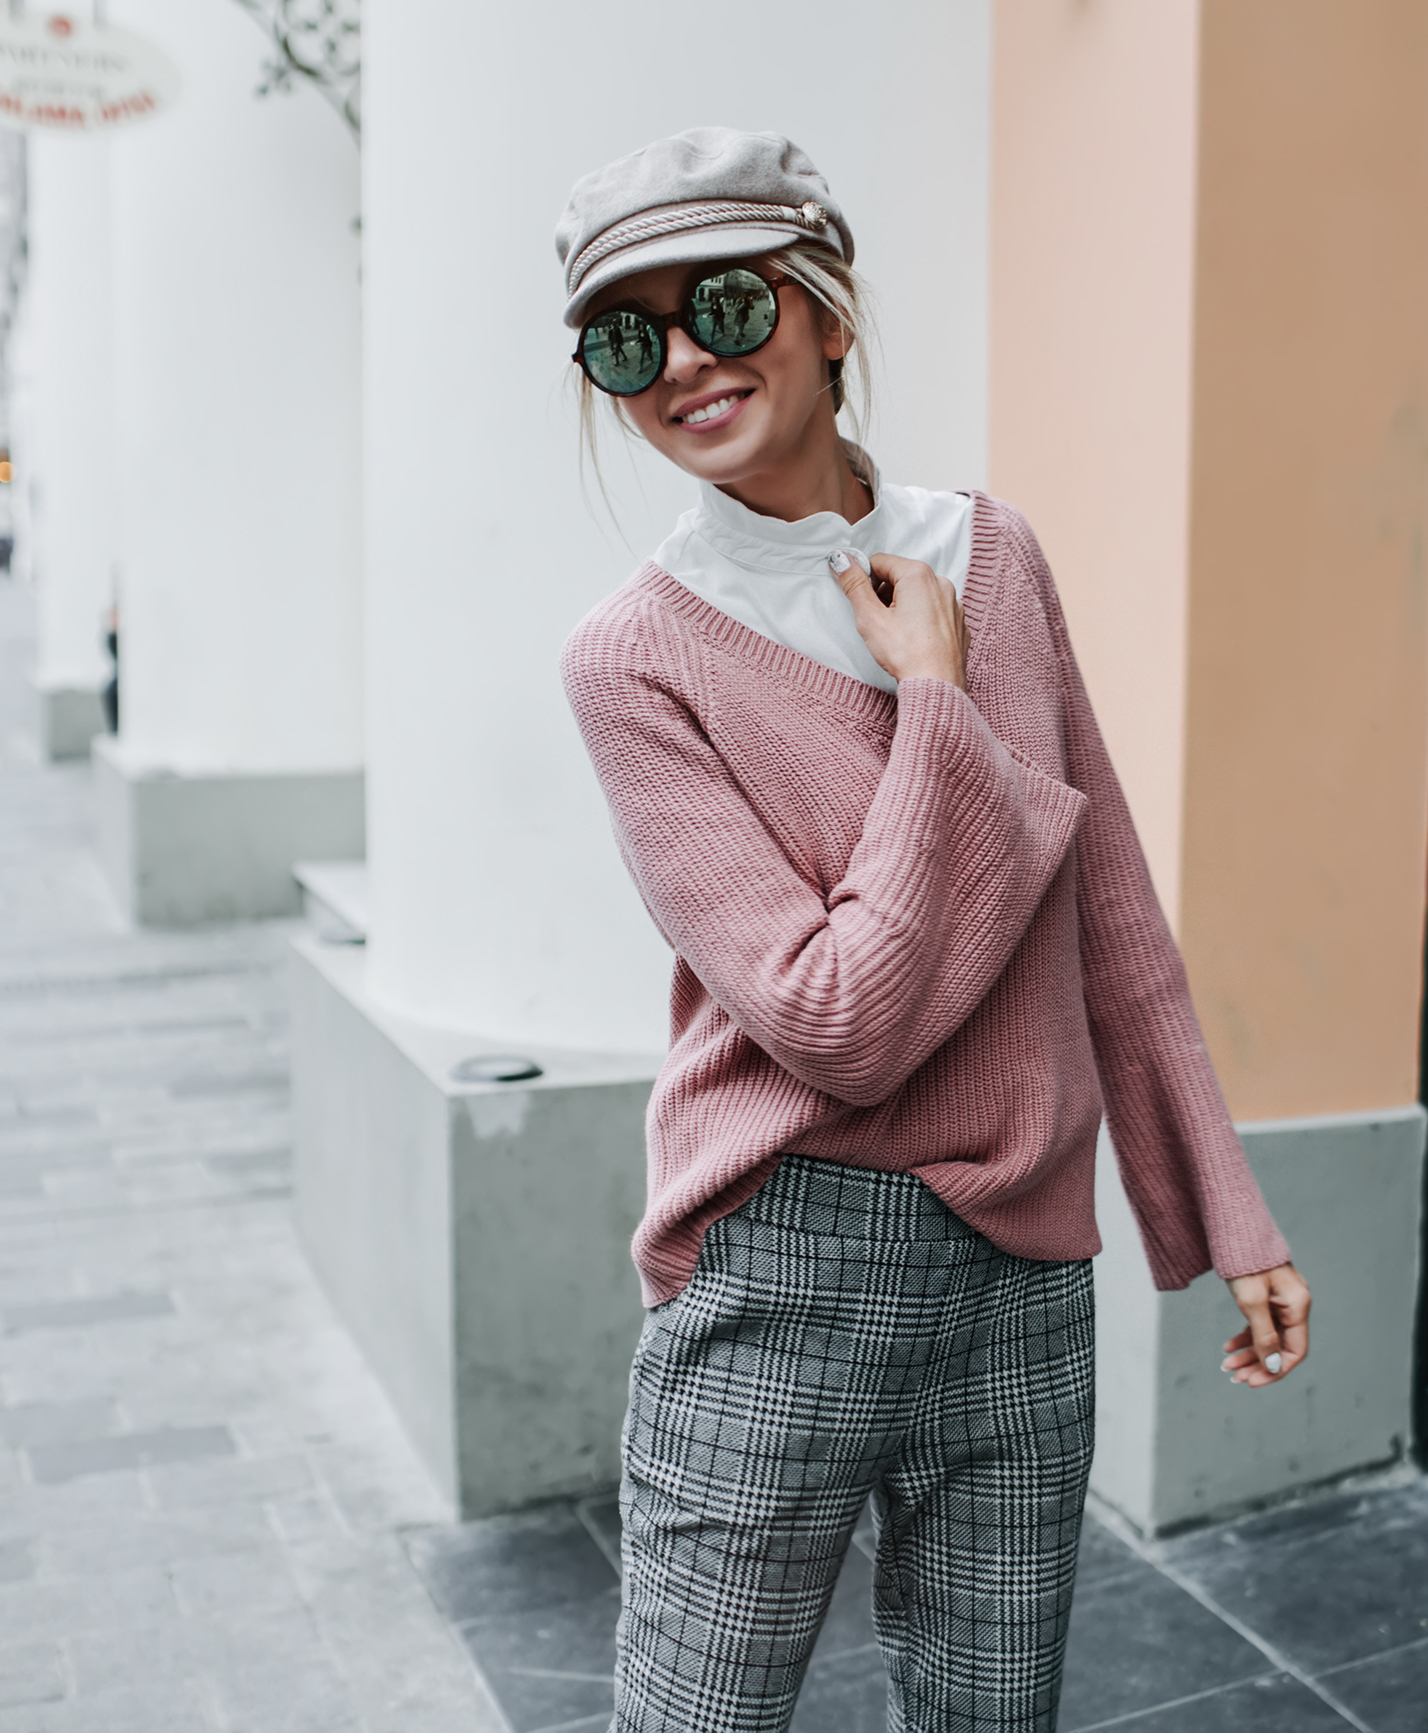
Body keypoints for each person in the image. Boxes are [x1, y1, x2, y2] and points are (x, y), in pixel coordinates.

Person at [556, 130, 1315, 1733]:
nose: (686, 357)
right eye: (631, 334)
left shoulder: (997, 554)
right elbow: (836, 1018)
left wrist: (1227, 1211)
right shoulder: (635, 659)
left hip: (1026, 1261)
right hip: (788, 1253)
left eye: (730, 303)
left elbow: (1108, 913)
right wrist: (938, 702)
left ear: (829, 313)